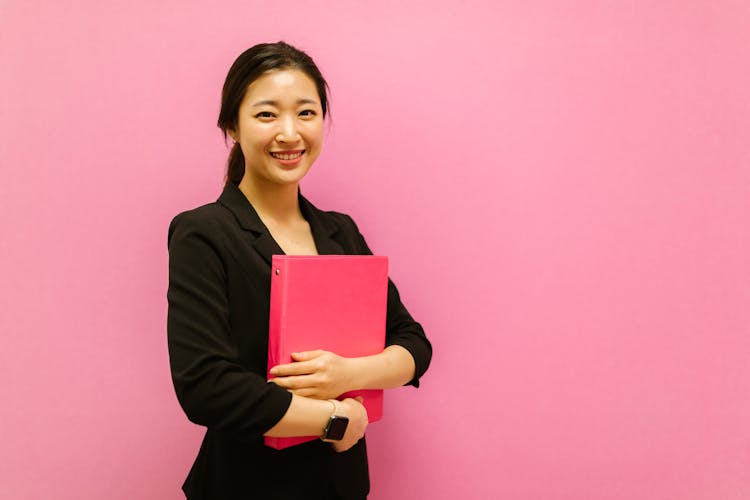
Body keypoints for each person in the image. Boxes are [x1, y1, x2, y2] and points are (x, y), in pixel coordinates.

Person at [167, 42, 432, 500]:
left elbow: (413, 344)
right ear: (232, 124)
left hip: (339, 486)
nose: (290, 134)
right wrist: (334, 419)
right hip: (245, 485)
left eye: (306, 114)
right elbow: (205, 386)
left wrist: (346, 374)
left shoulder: (340, 232)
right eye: (267, 115)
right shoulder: (203, 232)